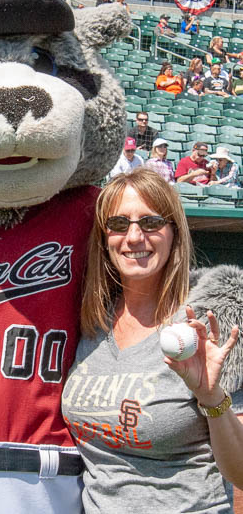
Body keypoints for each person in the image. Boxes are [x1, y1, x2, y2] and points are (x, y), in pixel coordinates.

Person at [62, 168, 240, 514]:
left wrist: (211, 397)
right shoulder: (89, 323)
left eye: (150, 222)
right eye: (118, 224)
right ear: (104, 238)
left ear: (174, 232)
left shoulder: (206, 323)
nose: (133, 237)